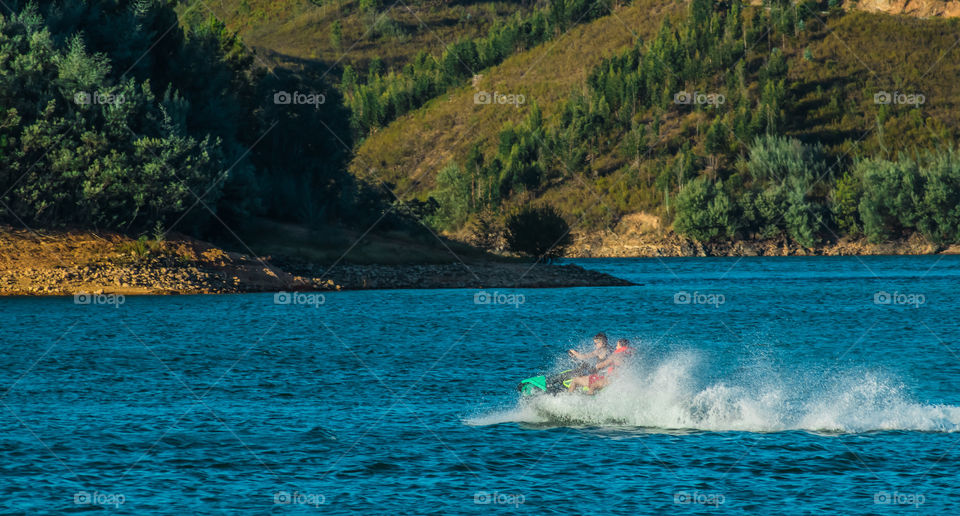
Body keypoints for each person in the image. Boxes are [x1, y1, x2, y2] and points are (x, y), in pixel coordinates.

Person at [567, 338, 634, 394]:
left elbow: (603, 364)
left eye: (617, 345)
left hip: (610, 379)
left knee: (591, 385)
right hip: (618, 378)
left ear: (601, 343)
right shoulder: (629, 353)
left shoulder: (615, 355)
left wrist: (596, 366)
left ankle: (587, 401)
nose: (616, 347)